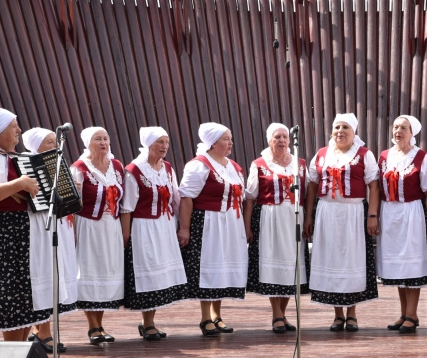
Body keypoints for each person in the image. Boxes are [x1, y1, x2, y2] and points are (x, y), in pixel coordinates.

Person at [0, 108, 53, 340]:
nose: (19, 130)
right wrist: (19, 184)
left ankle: (21, 355)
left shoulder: (13, 158)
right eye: (13, 126)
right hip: (6, 235)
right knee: (13, 299)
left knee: (24, 300)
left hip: (21, 234)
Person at [303, 113, 380, 332]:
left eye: (345, 127)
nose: (340, 131)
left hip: (353, 213)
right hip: (327, 212)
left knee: (352, 259)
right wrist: (309, 216)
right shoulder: (321, 154)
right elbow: (311, 186)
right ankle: (337, 314)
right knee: (332, 259)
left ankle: (352, 313)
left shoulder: (364, 155)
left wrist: (372, 215)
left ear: (354, 133)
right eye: (337, 127)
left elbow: (374, 186)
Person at [177, 123, 246, 336]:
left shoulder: (232, 166)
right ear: (213, 143)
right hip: (207, 223)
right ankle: (205, 317)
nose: (230, 143)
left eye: (230, 138)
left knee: (223, 268)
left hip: (230, 223)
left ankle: (218, 315)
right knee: (209, 267)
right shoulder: (199, 165)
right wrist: (185, 228)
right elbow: (187, 198)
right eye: (226, 139)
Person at [121, 127, 187, 341]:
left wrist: (181, 226)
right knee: (148, 273)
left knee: (159, 276)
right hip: (144, 227)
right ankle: (147, 323)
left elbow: (175, 197)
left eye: (166, 142)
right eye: (160, 142)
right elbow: (127, 207)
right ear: (148, 144)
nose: (164, 146)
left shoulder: (167, 168)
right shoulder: (134, 170)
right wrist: (126, 235)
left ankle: (149, 322)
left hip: (165, 226)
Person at [244, 123, 309, 333]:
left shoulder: (299, 164)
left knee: (291, 265)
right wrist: (247, 227)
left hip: (293, 218)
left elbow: (307, 195)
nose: (281, 140)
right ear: (269, 140)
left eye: (284, 137)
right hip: (269, 218)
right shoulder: (259, 164)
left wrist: (308, 220)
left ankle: (283, 313)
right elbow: (250, 198)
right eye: (276, 137)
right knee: (273, 265)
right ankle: (277, 315)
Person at [377, 115, 427, 334]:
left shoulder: (421, 157)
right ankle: (404, 313)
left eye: (403, 127)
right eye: (395, 127)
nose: (398, 131)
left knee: (411, 266)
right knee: (398, 268)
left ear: (412, 133)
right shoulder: (384, 156)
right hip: (390, 213)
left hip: (412, 212)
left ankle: (412, 314)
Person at [21, 127, 78, 352]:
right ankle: (42, 331)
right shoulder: (27, 164)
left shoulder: (58, 165)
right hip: (39, 225)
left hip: (58, 224)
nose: (54, 146)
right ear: (36, 146)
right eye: (48, 142)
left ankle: (42, 330)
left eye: (55, 141)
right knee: (44, 272)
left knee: (55, 273)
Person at [70, 126, 125, 345]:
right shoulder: (79, 169)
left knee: (105, 271)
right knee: (90, 271)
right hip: (88, 225)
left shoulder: (117, 166)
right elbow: (73, 205)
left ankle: (100, 324)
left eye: (106, 138)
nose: (103, 142)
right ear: (88, 143)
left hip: (111, 226)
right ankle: (93, 326)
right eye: (98, 139)